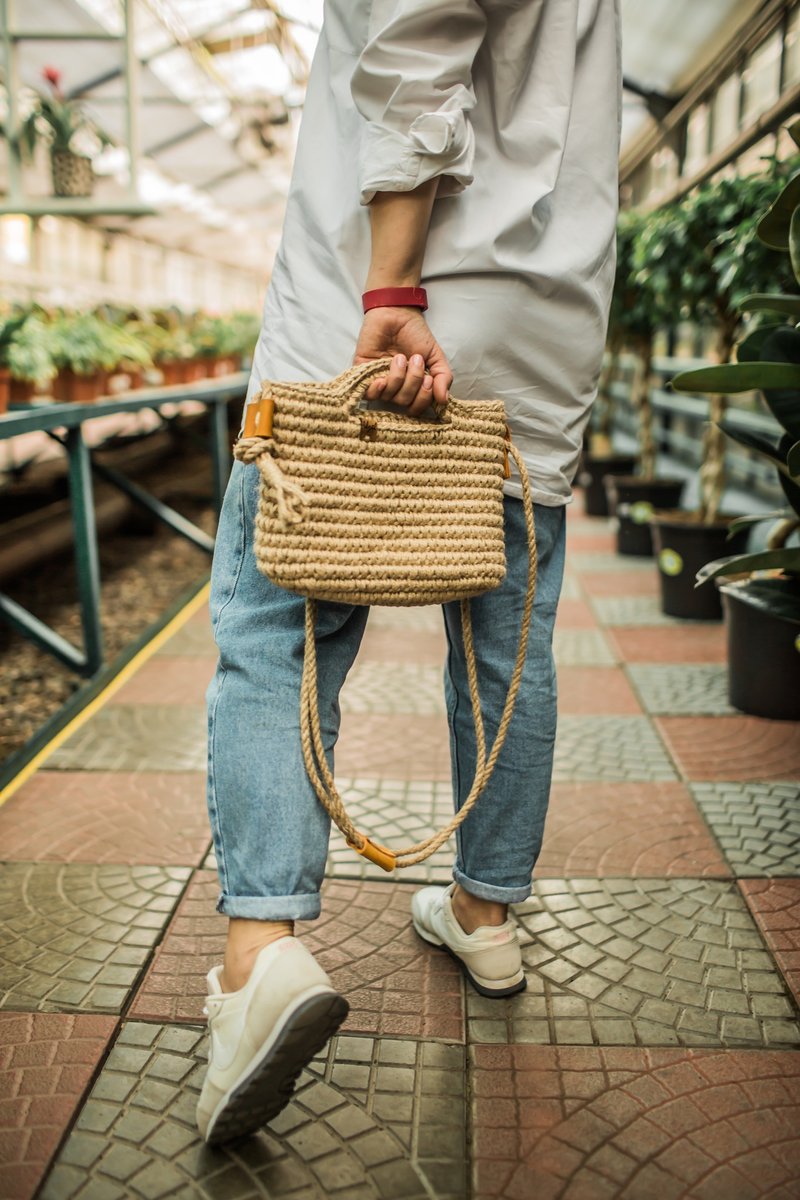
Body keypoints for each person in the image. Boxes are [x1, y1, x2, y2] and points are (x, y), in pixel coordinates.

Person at [197, 0, 621, 1145]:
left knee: (276, 633)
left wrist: (392, 289)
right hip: (538, 331)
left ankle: (260, 956)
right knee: (506, 649)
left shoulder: (388, 294)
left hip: (382, 309)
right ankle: (481, 913)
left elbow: (413, 44)